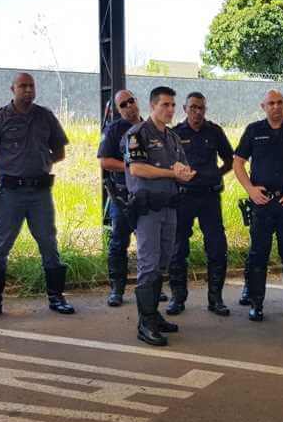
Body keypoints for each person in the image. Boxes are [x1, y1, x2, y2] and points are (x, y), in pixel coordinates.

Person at [0, 72, 73, 320]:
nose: (28, 90)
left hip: (40, 193)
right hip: (10, 193)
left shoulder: (45, 117)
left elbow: (59, 151)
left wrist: (39, 164)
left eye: (31, 86)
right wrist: (8, 167)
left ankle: (56, 297)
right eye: (23, 86)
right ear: (13, 89)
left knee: (49, 244)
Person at [233, 89, 283, 322]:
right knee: (258, 255)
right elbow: (238, 163)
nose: (276, 107)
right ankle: (256, 304)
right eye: (271, 103)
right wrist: (250, 189)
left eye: (280, 103)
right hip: (263, 203)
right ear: (263, 107)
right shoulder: (253, 130)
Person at [124, 86, 194, 346]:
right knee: (149, 264)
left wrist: (185, 174)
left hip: (170, 207)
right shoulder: (138, 134)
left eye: (173, 105)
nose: (170, 109)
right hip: (148, 209)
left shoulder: (173, 137)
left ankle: (153, 314)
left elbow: (182, 168)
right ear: (152, 105)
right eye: (165, 104)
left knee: (163, 260)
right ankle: (145, 323)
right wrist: (172, 173)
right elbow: (137, 169)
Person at [166, 92, 234, 317]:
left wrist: (216, 175)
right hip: (183, 198)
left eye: (201, 108)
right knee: (177, 249)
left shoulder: (214, 131)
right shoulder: (175, 134)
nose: (197, 112)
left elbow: (230, 160)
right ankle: (177, 298)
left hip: (209, 198)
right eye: (193, 107)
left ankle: (216, 299)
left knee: (217, 248)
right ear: (185, 109)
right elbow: (167, 164)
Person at [97, 89, 166, 306]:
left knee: (151, 243)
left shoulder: (152, 127)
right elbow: (105, 161)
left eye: (130, 101)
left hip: (148, 194)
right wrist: (132, 167)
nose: (128, 107)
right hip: (124, 196)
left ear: (137, 101)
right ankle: (117, 290)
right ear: (118, 110)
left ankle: (151, 287)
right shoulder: (114, 130)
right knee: (119, 242)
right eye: (123, 105)